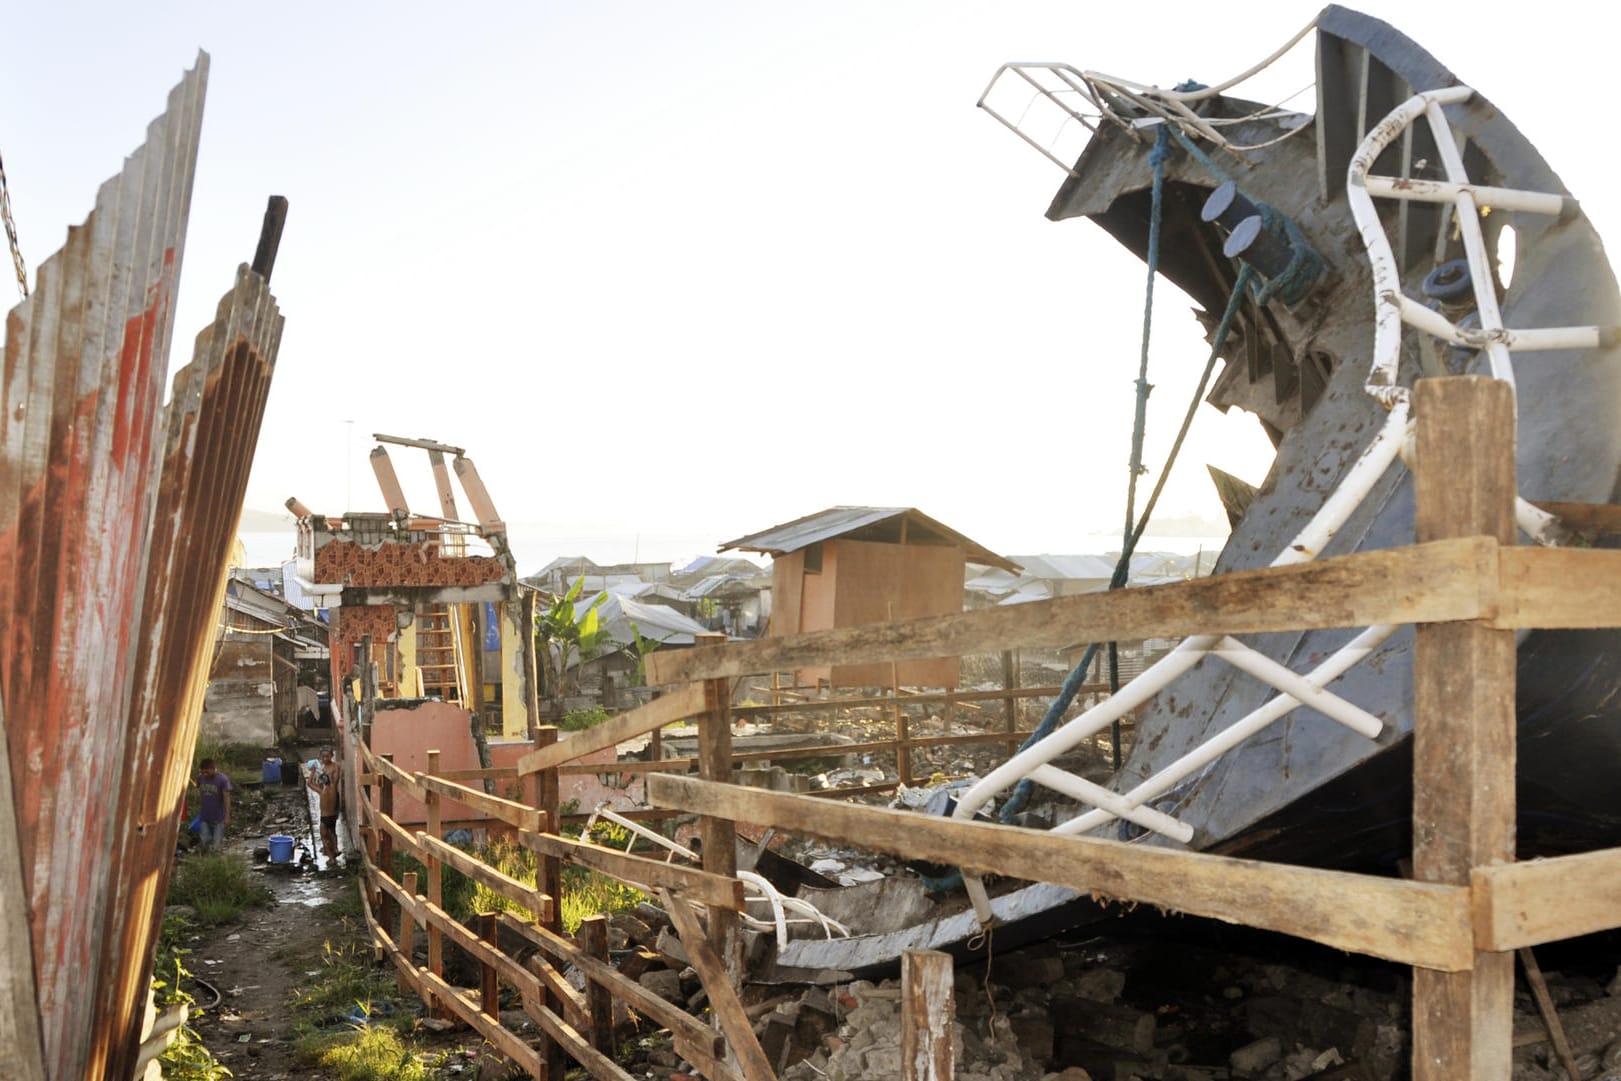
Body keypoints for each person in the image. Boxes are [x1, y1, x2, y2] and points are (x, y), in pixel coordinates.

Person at [306, 748, 343, 861]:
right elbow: (311, 783)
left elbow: (310, 783)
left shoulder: (324, 790)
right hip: (329, 813)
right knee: (332, 831)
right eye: (323, 757)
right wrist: (315, 772)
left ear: (331, 756)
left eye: (327, 756)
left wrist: (313, 773)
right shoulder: (324, 789)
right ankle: (334, 849)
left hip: (328, 814)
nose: (325, 759)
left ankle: (332, 856)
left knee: (325, 834)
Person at [194, 758, 232, 853]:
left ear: (213, 768)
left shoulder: (222, 780)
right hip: (204, 817)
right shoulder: (200, 778)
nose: (204, 774)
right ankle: (206, 861)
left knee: (216, 844)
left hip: (219, 818)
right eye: (202, 772)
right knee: (204, 841)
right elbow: (198, 785)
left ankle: (216, 861)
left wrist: (227, 817)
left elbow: (226, 798)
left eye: (207, 772)